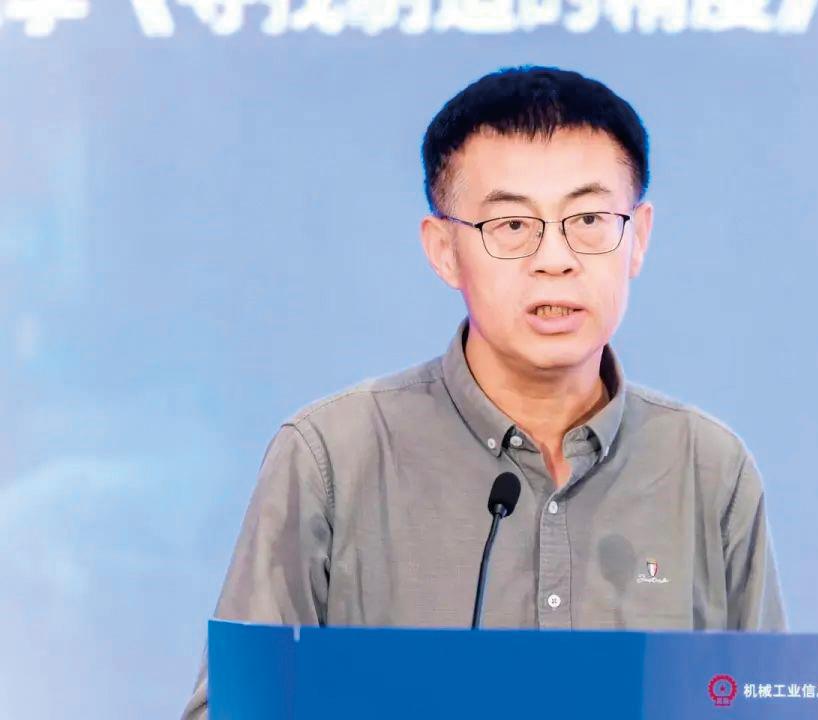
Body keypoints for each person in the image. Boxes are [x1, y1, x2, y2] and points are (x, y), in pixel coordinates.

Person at [181, 65, 785, 719]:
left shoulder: (707, 468)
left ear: (637, 238)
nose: (555, 259)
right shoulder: (333, 458)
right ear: (444, 250)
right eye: (513, 226)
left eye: (588, 218)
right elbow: (231, 710)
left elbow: (767, 706)